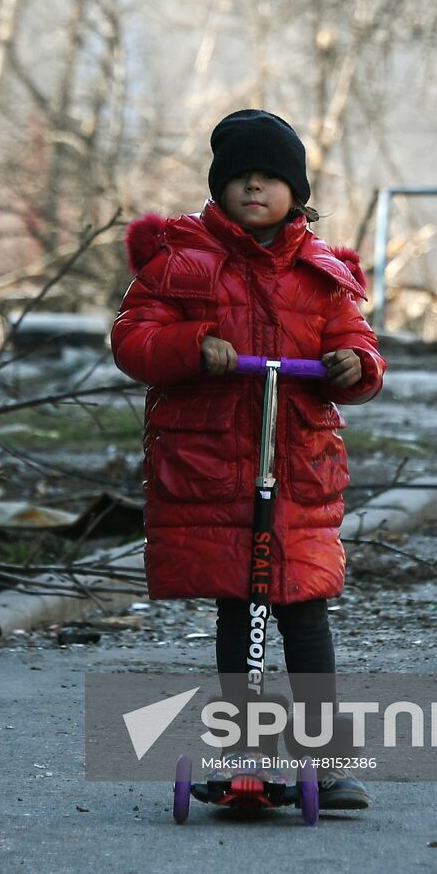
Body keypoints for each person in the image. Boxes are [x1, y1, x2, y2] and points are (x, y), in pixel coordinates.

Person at [111, 109, 385, 810]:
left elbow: (358, 343)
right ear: (219, 187)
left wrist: (352, 364)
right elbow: (135, 338)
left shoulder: (322, 274)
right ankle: (247, 752)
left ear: (296, 192)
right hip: (217, 468)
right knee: (240, 608)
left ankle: (327, 758)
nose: (254, 187)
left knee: (306, 611)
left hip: (298, 470)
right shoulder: (182, 261)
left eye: (269, 177)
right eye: (240, 177)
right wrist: (192, 344)